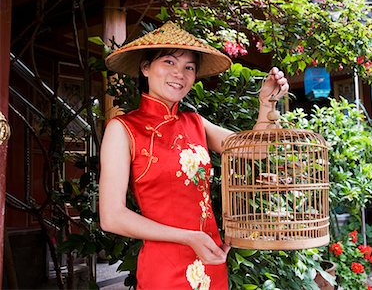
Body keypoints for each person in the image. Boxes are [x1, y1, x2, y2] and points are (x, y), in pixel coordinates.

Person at [99, 21, 289, 290]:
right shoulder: (123, 129)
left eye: (189, 67)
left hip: (210, 261)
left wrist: (266, 103)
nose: (180, 74)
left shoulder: (195, 122)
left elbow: (255, 150)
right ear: (145, 68)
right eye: (169, 62)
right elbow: (111, 216)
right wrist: (190, 238)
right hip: (165, 270)